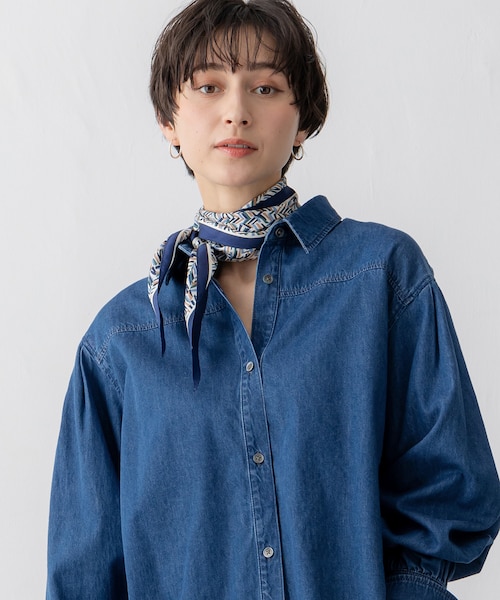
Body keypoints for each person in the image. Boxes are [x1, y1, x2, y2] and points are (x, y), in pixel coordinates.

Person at [46, 0, 500, 598]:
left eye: (265, 87)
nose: (236, 112)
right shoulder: (119, 342)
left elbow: (448, 494)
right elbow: (84, 575)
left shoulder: (379, 276)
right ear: (168, 120)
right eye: (208, 86)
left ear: (303, 118)